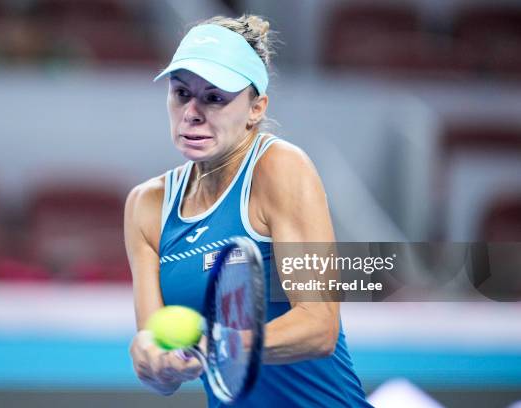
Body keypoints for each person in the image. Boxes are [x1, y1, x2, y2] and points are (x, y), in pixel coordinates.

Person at [125, 14, 373, 407]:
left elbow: (318, 325)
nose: (192, 112)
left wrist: (222, 345)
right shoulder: (146, 205)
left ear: (256, 109)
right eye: (181, 93)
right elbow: (161, 366)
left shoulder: (281, 168)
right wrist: (152, 359)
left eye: (214, 97)